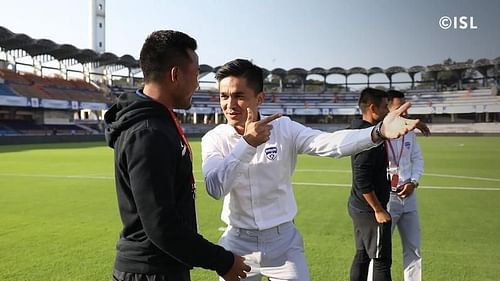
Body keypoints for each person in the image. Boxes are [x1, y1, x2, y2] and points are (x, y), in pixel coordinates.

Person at [201, 59, 421, 281]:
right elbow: (215, 188)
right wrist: (247, 144)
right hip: (238, 244)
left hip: (283, 243)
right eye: (224, 96)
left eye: (239, 96)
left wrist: (377, 132)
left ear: (259, 98)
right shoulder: (214, 139)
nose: (230, 104)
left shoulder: (284, 128)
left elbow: (328, 142)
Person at [104, 30, 250, 281]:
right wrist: (223, 261)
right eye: (195, 75)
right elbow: (161, 225)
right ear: (175, 75)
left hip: (162, 265)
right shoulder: (148, 133)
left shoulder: (157, 122)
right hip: (151, 271)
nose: (197, 84)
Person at [348, 88, 392, 281]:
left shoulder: (359, 129)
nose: (388, 111)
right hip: (369, 209)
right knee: (382, 259)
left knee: (363, 255)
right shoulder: (367, 138)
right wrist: (378, 209)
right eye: (385, 107)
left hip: (358, 205)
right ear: (373, 108)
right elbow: (361, 176)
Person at [386, 90, 425, 281]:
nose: (404, 112)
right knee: (381, 251)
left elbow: (417, 159)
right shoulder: (379, 133)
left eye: (405, 107)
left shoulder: (410, 133)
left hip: (409, 196)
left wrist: (413, 181)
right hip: (387, 198)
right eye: (398, 108)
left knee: (413, 248)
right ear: (388, 109)